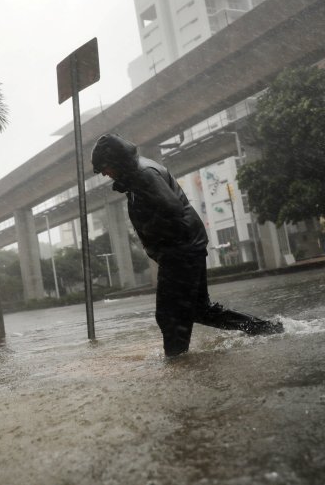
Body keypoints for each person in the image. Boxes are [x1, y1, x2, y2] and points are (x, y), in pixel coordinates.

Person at [91, 133, 283, 357]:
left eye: (105, 167)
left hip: (180, 250)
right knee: (200, 310)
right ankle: (266, 329)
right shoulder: (136, 173)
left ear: (116, 160)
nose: (105, 173)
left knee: (169, 314)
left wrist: (158, 240)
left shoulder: (143, 175)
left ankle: (177, 363)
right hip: (186, 246)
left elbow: (171, 209)